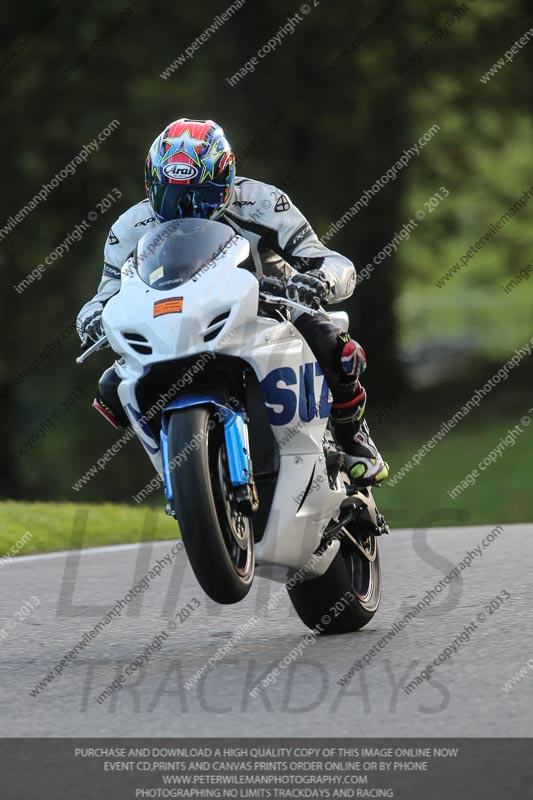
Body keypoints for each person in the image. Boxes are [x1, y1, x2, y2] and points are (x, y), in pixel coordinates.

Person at [77, 118, 388, 486]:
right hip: (175, 322)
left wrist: (319, 281)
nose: (186, 209)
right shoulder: (130, 228)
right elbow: (106, 294)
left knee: (335, 346)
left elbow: (333, 262)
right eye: (171, 196)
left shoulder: (263, 203)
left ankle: (353, 436)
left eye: (200, 196)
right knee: (112, 389)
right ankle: (180, 468)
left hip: (270, 308)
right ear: (150, 186)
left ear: (227, 180)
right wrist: (92, 318)